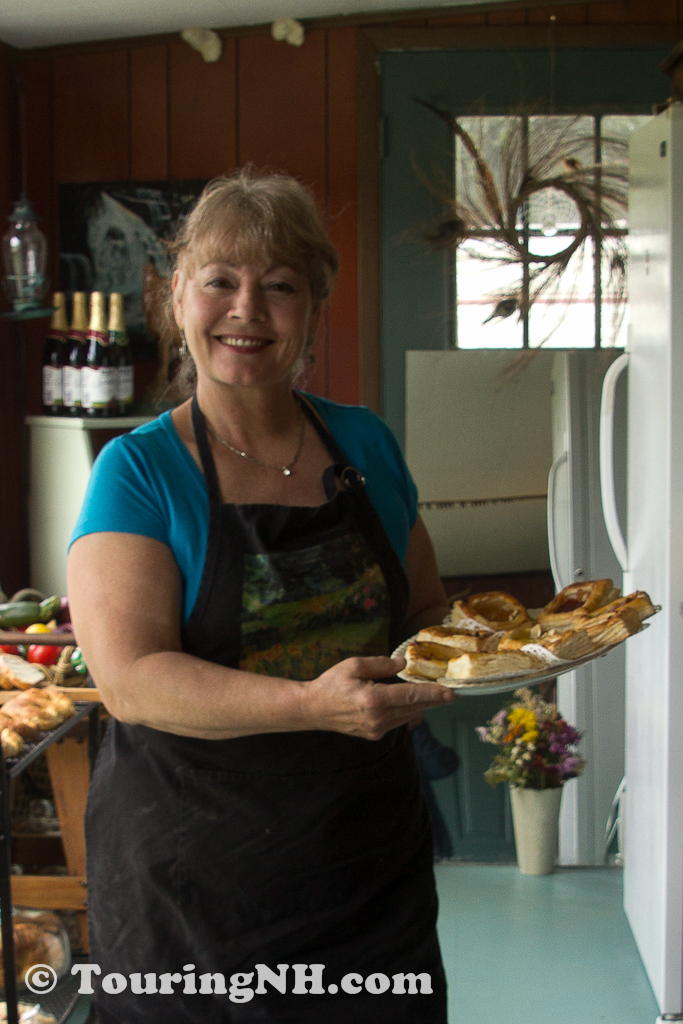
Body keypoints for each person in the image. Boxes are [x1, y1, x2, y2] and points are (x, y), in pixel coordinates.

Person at [67, 169, 455, 1024]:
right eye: (220, 281)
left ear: (313, 309)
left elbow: (424, 610)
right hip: (196, 890)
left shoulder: (363, 443)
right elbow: (130, 680)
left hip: (366, 869)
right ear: (178, 297)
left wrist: (490, 657)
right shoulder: (138, 470)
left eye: (279, 286)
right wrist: (313, 705)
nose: (247, 309)